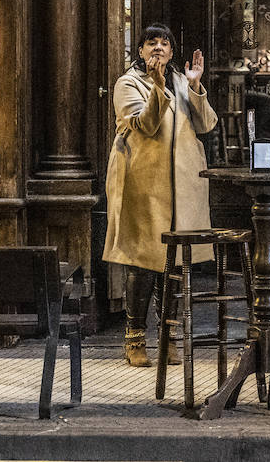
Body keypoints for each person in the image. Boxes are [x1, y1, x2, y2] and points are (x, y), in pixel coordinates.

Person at [105, 23, 218, 367]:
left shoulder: (183, 82)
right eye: (150, 43)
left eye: (164, 43)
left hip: (182, 186)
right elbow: (145, 125)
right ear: (139, 51)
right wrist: (156, 87)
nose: (157, 48)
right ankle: (135, 338)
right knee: (143, 263)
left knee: (174, 265)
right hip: (142, 183)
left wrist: (196, 85)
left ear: (172, 52)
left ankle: (169, 336)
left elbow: (207, 124)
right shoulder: (128, 84)